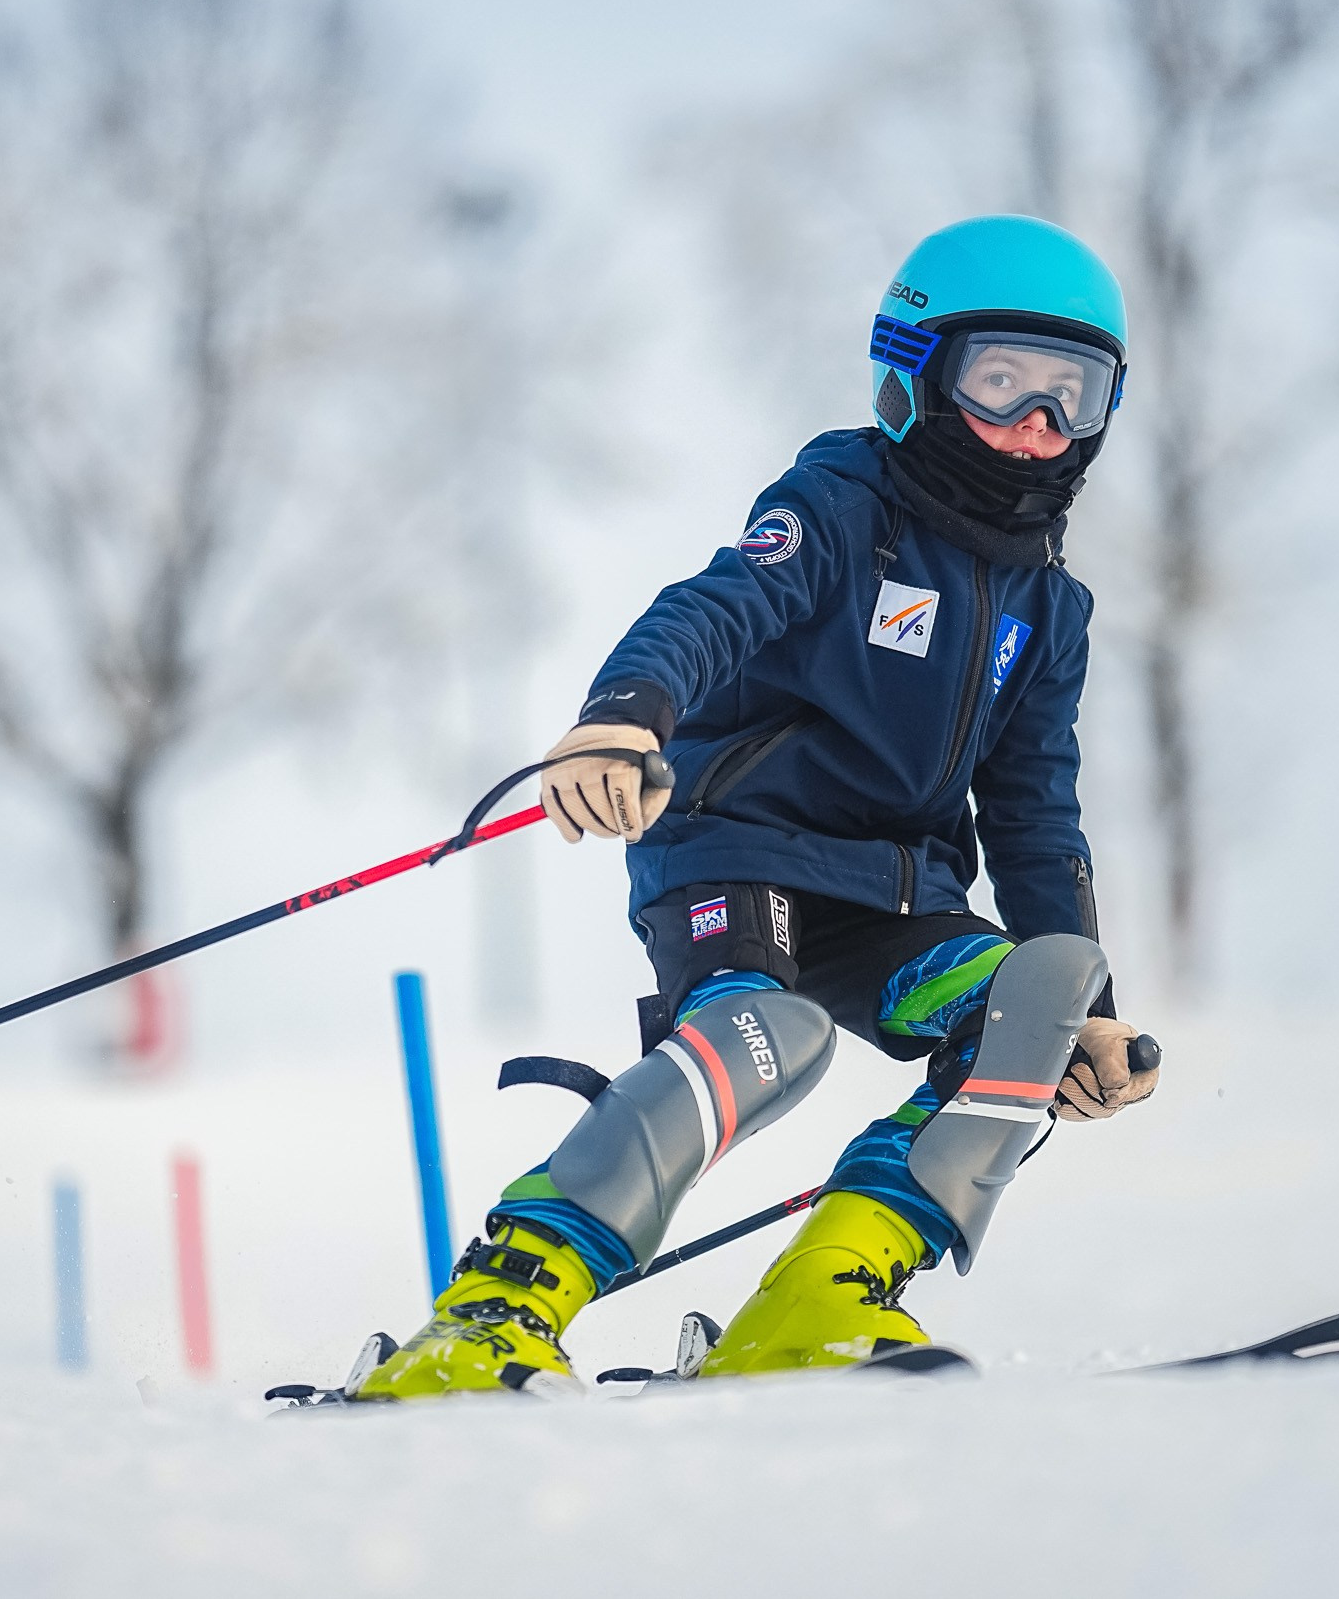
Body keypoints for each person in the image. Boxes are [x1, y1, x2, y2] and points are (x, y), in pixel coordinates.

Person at [359, 215, 1161, 1399]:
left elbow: (1036, 815)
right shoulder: (843, 503)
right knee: (764, 1038)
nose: (1036, 429)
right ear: (917, 374)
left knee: (1035, 1000)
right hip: (740, 855)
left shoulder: (1051, 612)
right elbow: (717, 606)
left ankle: (821, 1296)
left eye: (1069, 396)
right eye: (1001, 382)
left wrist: (1086, 1015)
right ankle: (501, 1302)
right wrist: (625, 715)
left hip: (894, 901)